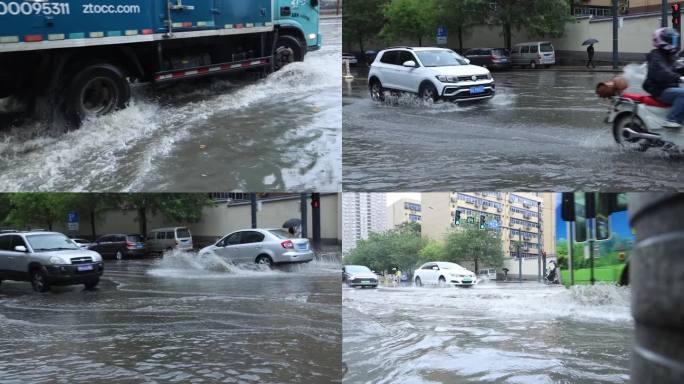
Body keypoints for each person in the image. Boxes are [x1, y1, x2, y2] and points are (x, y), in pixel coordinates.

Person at [643, 27, 684, 128]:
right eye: (672, 40)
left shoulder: (670, 56)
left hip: (670, 88)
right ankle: (672, 119)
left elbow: (677, 68)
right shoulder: (655, 56)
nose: (674, 43)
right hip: (660, 90)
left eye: (675, 40)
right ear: (662, 40)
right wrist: (678, 78)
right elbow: (662, 72)